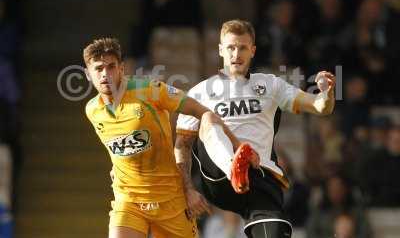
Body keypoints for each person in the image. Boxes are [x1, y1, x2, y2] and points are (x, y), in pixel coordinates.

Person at [174, 19, 336, 238]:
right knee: (209, 118)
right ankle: (233, 167)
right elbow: (182, 146)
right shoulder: (199, 92)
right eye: (230, 47)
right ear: (221, 50)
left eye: (242, 47)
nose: (236, 54)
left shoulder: (271, 85)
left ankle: (241, 171)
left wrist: (326, 93)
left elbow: (319, 107)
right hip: (218, 178)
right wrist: (187, 190)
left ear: (253, 51)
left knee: (274, 232)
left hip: (259, 177)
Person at [83, 38, 243, 238]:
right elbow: (119, 146)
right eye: (98, 69)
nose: (105, 74)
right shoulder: (92, 110)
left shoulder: (150, 90)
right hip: (129, 201)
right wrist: (117, 167)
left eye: (111, 67)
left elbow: (201, 111)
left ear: (121, 68)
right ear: (88, 75)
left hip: (170, 201)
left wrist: (233, 143)